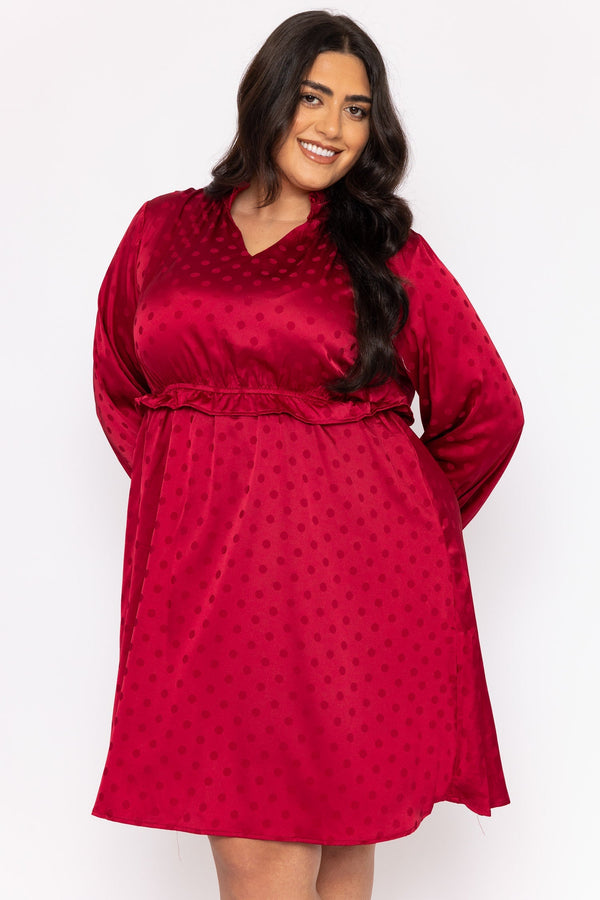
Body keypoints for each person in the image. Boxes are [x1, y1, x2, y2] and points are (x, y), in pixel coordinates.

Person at [91, 10, 524, 900]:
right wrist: (209, 498)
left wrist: (389, 521)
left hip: (351, 586)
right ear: (269, 96)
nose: (332, 126)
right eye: (314, 97)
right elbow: (121, 385)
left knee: (325, 843)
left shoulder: (386, 253)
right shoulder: (162, 230)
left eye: (357, 110)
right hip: (207, 584)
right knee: (273, 844)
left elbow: (489, 411)